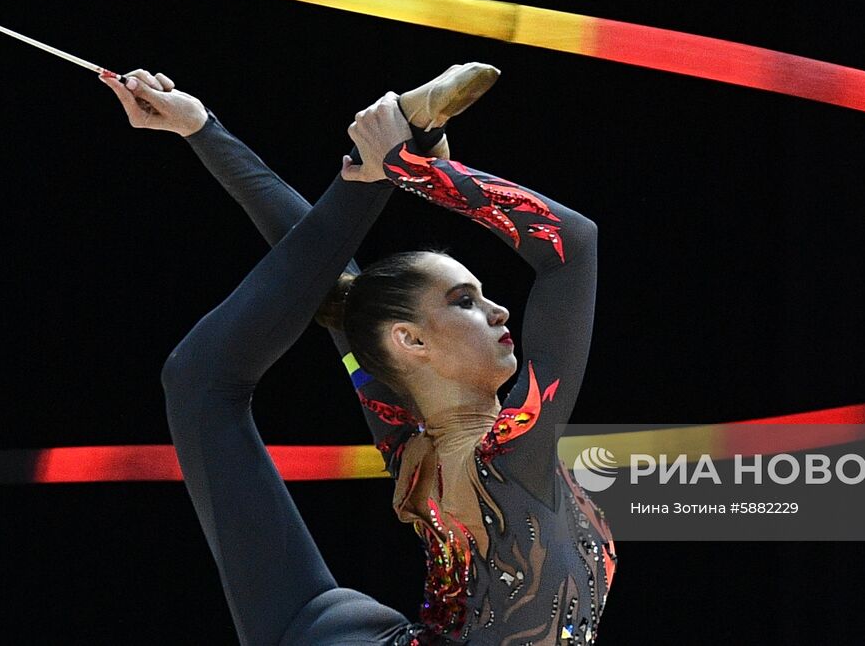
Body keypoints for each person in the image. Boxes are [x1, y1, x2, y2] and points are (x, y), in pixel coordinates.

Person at [99, 64, 614, 646]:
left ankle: (385, 155)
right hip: (349, 631)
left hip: (354, 631)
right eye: (466, 301)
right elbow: (573, 245)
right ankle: (387, 152)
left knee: (203, 380)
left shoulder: (412, 447)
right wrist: (418, 169)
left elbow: (335, 285)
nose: (500, 312)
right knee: (198, 381)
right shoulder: (509, 451)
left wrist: (204, 130)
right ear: (410, 341)